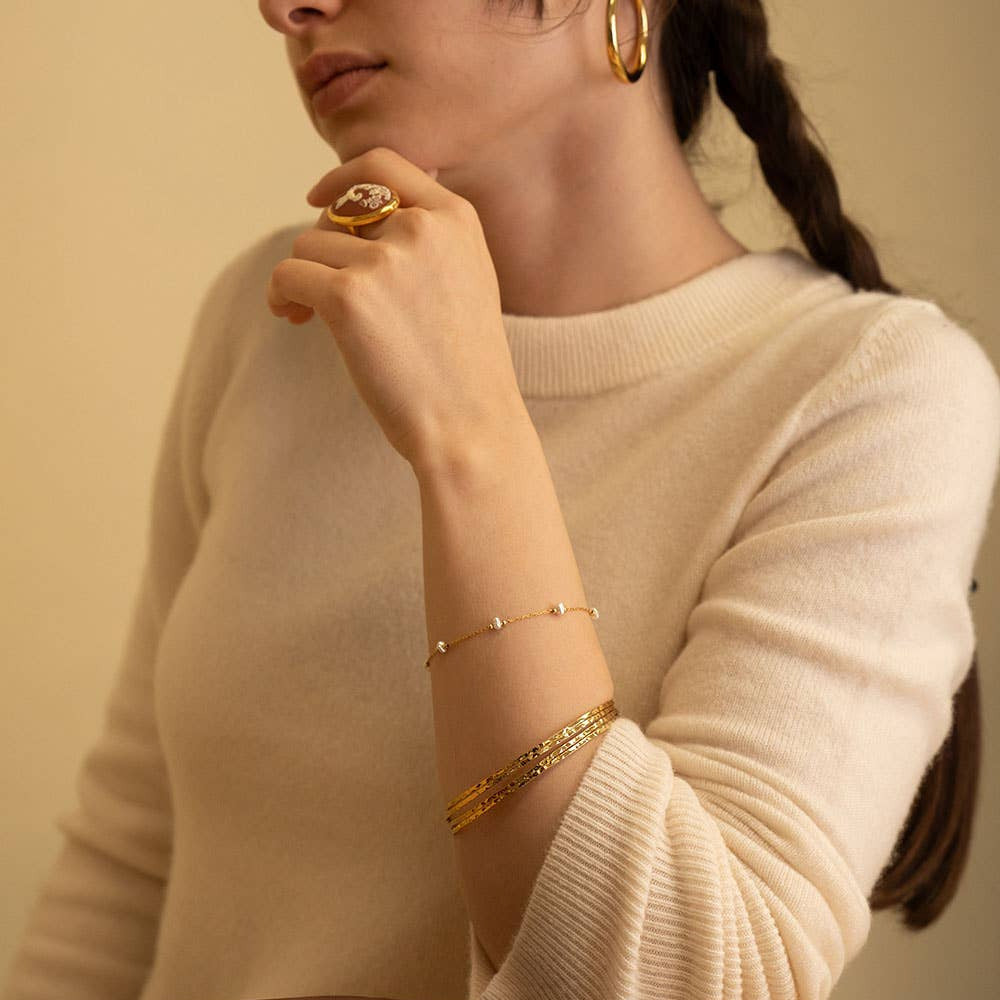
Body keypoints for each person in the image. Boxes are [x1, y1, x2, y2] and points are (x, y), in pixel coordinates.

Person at [4, 2, 998, 999]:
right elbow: (130, 866)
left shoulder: (872, 396)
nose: (284, 6)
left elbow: (693, 979)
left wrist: (469, 437)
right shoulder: (273, 320)